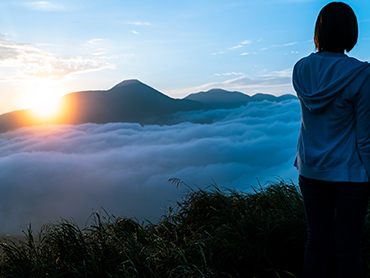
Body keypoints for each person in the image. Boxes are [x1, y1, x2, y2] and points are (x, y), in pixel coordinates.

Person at [292, 2, 370, 278]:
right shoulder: (362, 74)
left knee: (316, 242)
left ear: (319, 32)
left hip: (311, 169)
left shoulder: (300, 69)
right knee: (348, 249)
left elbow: (311, 122)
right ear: (351, 32)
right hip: (351, 173)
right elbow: (366, 137)